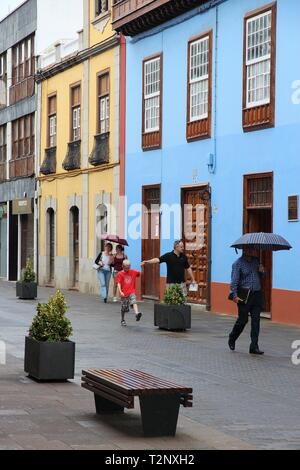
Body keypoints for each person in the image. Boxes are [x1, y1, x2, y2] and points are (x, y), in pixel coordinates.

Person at [228, 248, 266, 355]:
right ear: (244, 250)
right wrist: (235, 296)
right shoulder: (238, 264)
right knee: (243, 320)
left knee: (256, 321)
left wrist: (262, 271)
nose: (251, 251)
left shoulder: (256, 261)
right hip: (244, 296)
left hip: (257, 294)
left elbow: (263, 276)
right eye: (248, 249)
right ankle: (232, 337)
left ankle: (254, 346)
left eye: (252, 249)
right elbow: (234, 282)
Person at [116, 260, 142, 327]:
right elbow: (118, 283)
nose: (127, 269)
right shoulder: (120, 274)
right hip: (124, 293)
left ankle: (137, 313)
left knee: (134, 301)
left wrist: (142, 267)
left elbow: (140, 274)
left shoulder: (133, 271)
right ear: (123, 266)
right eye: (126, 268)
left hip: (131, 291)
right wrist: (120, 291)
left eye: (128, 267)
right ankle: (122, 319)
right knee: (124, 308)